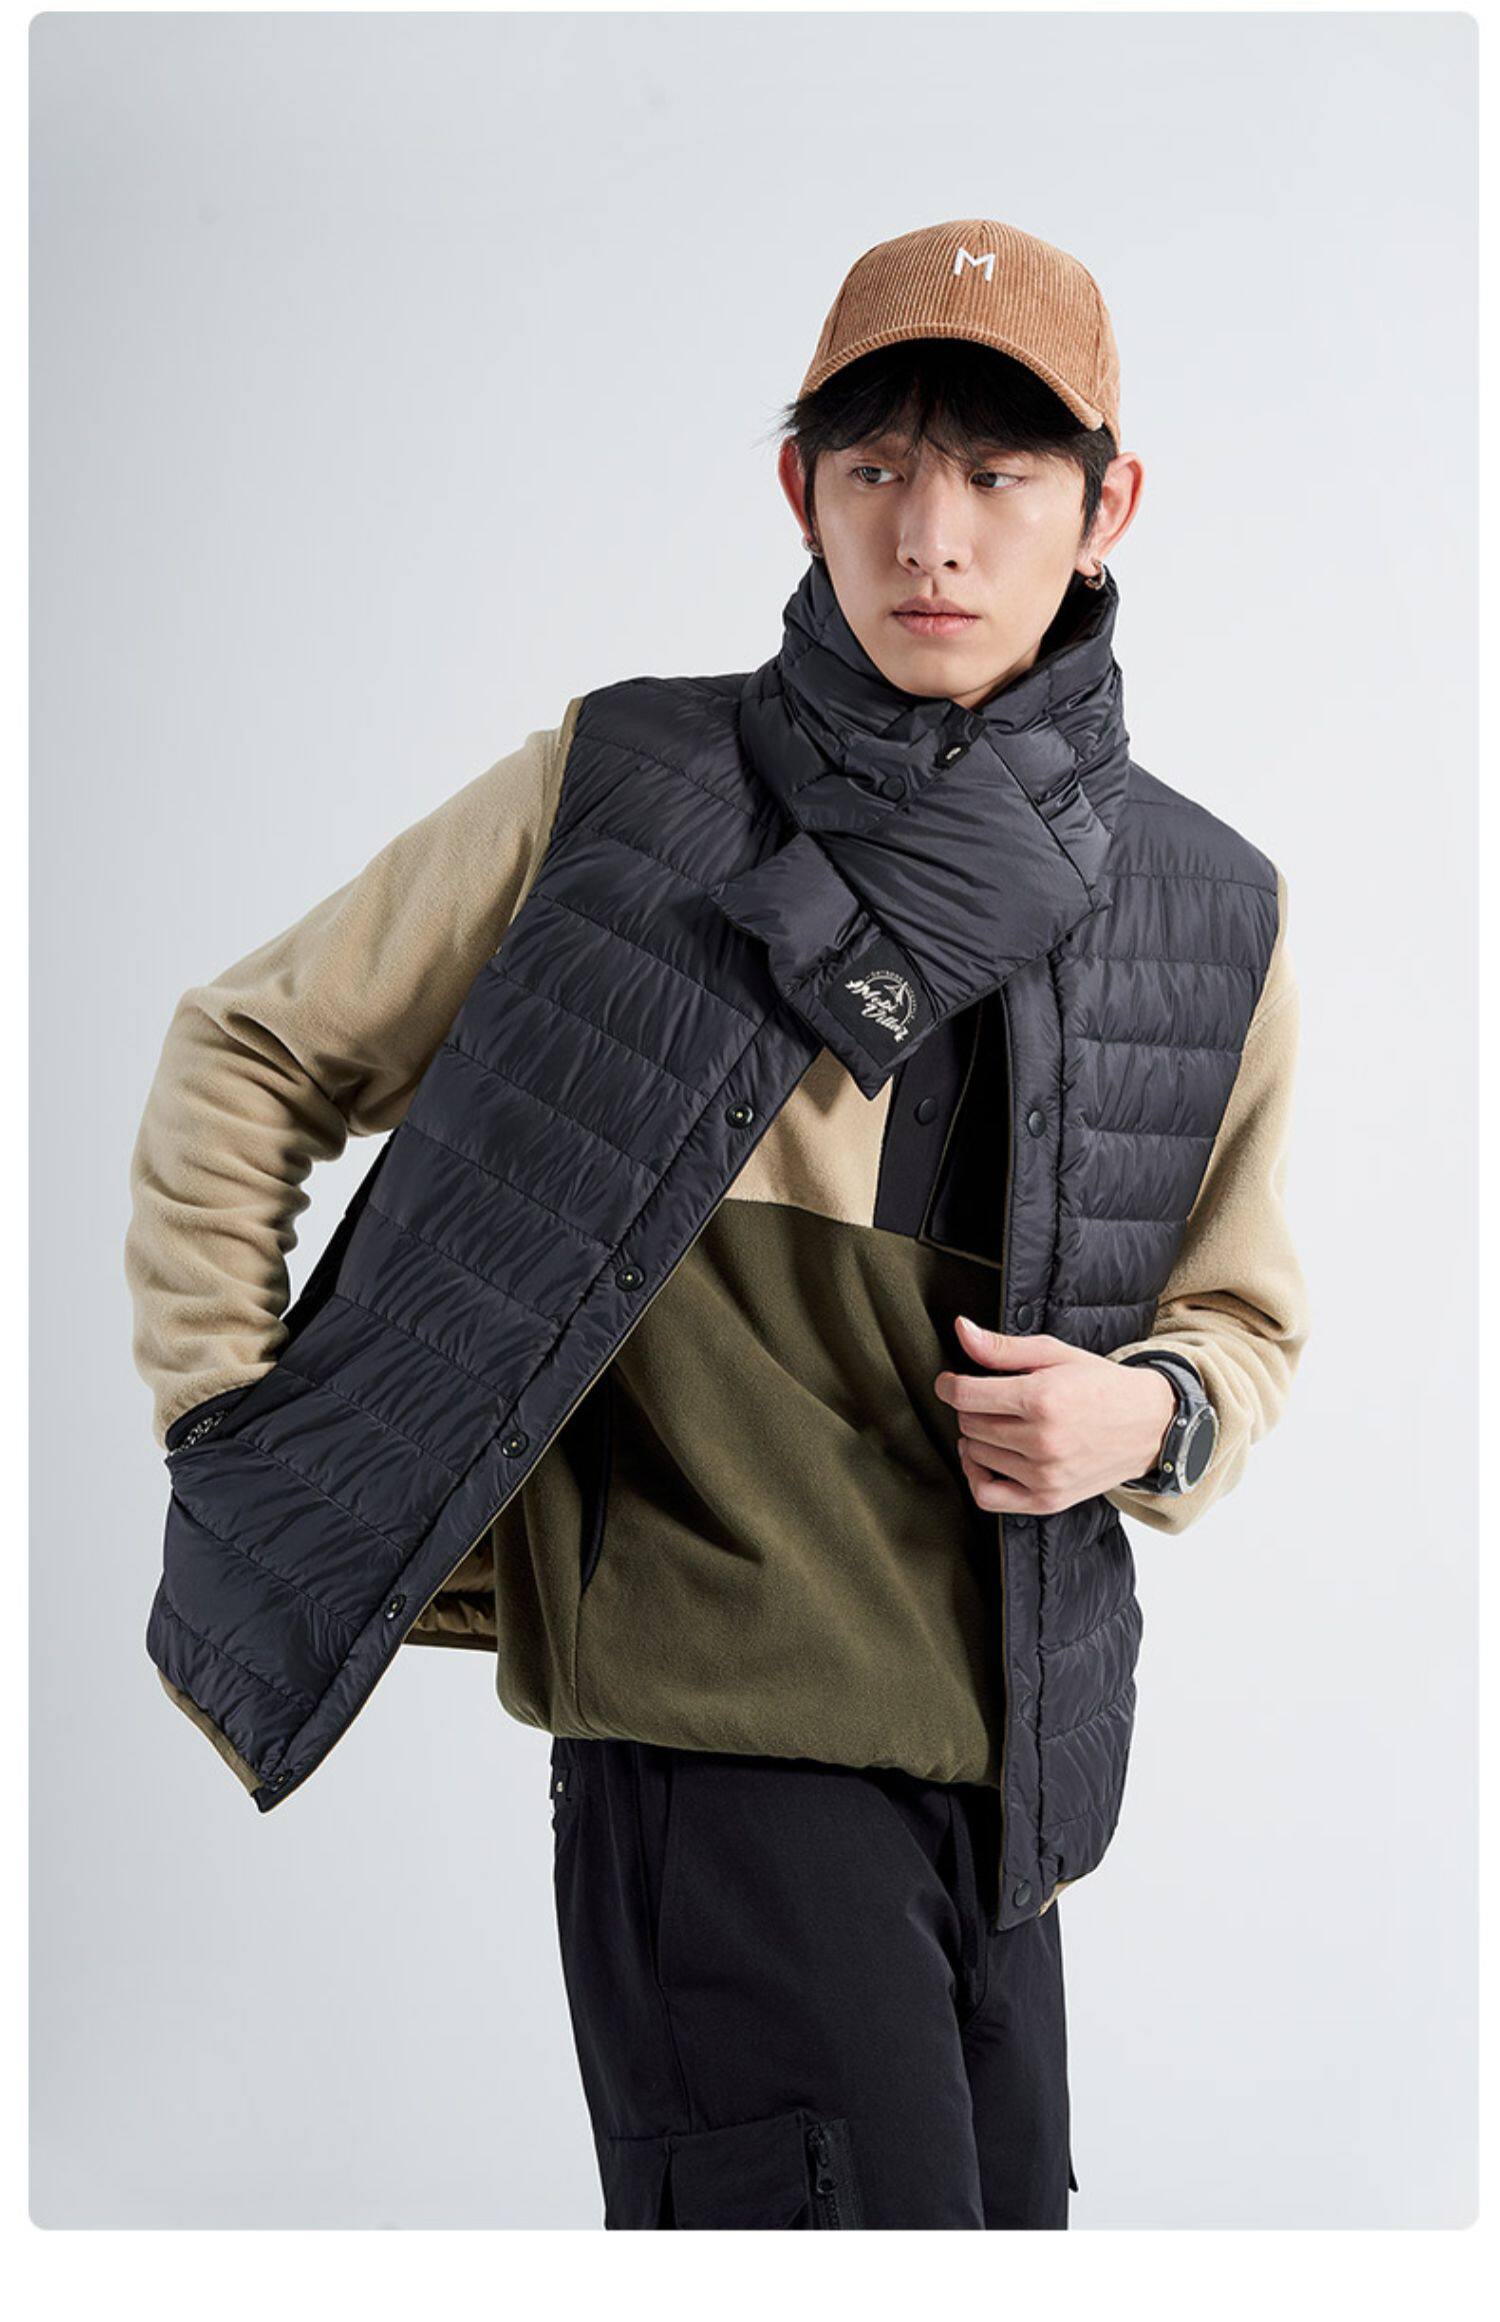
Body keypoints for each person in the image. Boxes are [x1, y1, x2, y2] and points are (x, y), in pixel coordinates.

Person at [126, 217, 1310, 2230]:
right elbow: (249, 1047)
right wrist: (230, 1420)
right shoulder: (619, 786)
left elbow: (1243, 1319)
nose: (931, 534)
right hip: (714, 1757)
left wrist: (1152, 1415)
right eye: (878, 467)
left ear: (1108, 508)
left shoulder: (1212, 907)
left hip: (1016, 1793)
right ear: (800, 488)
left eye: (998, 473)